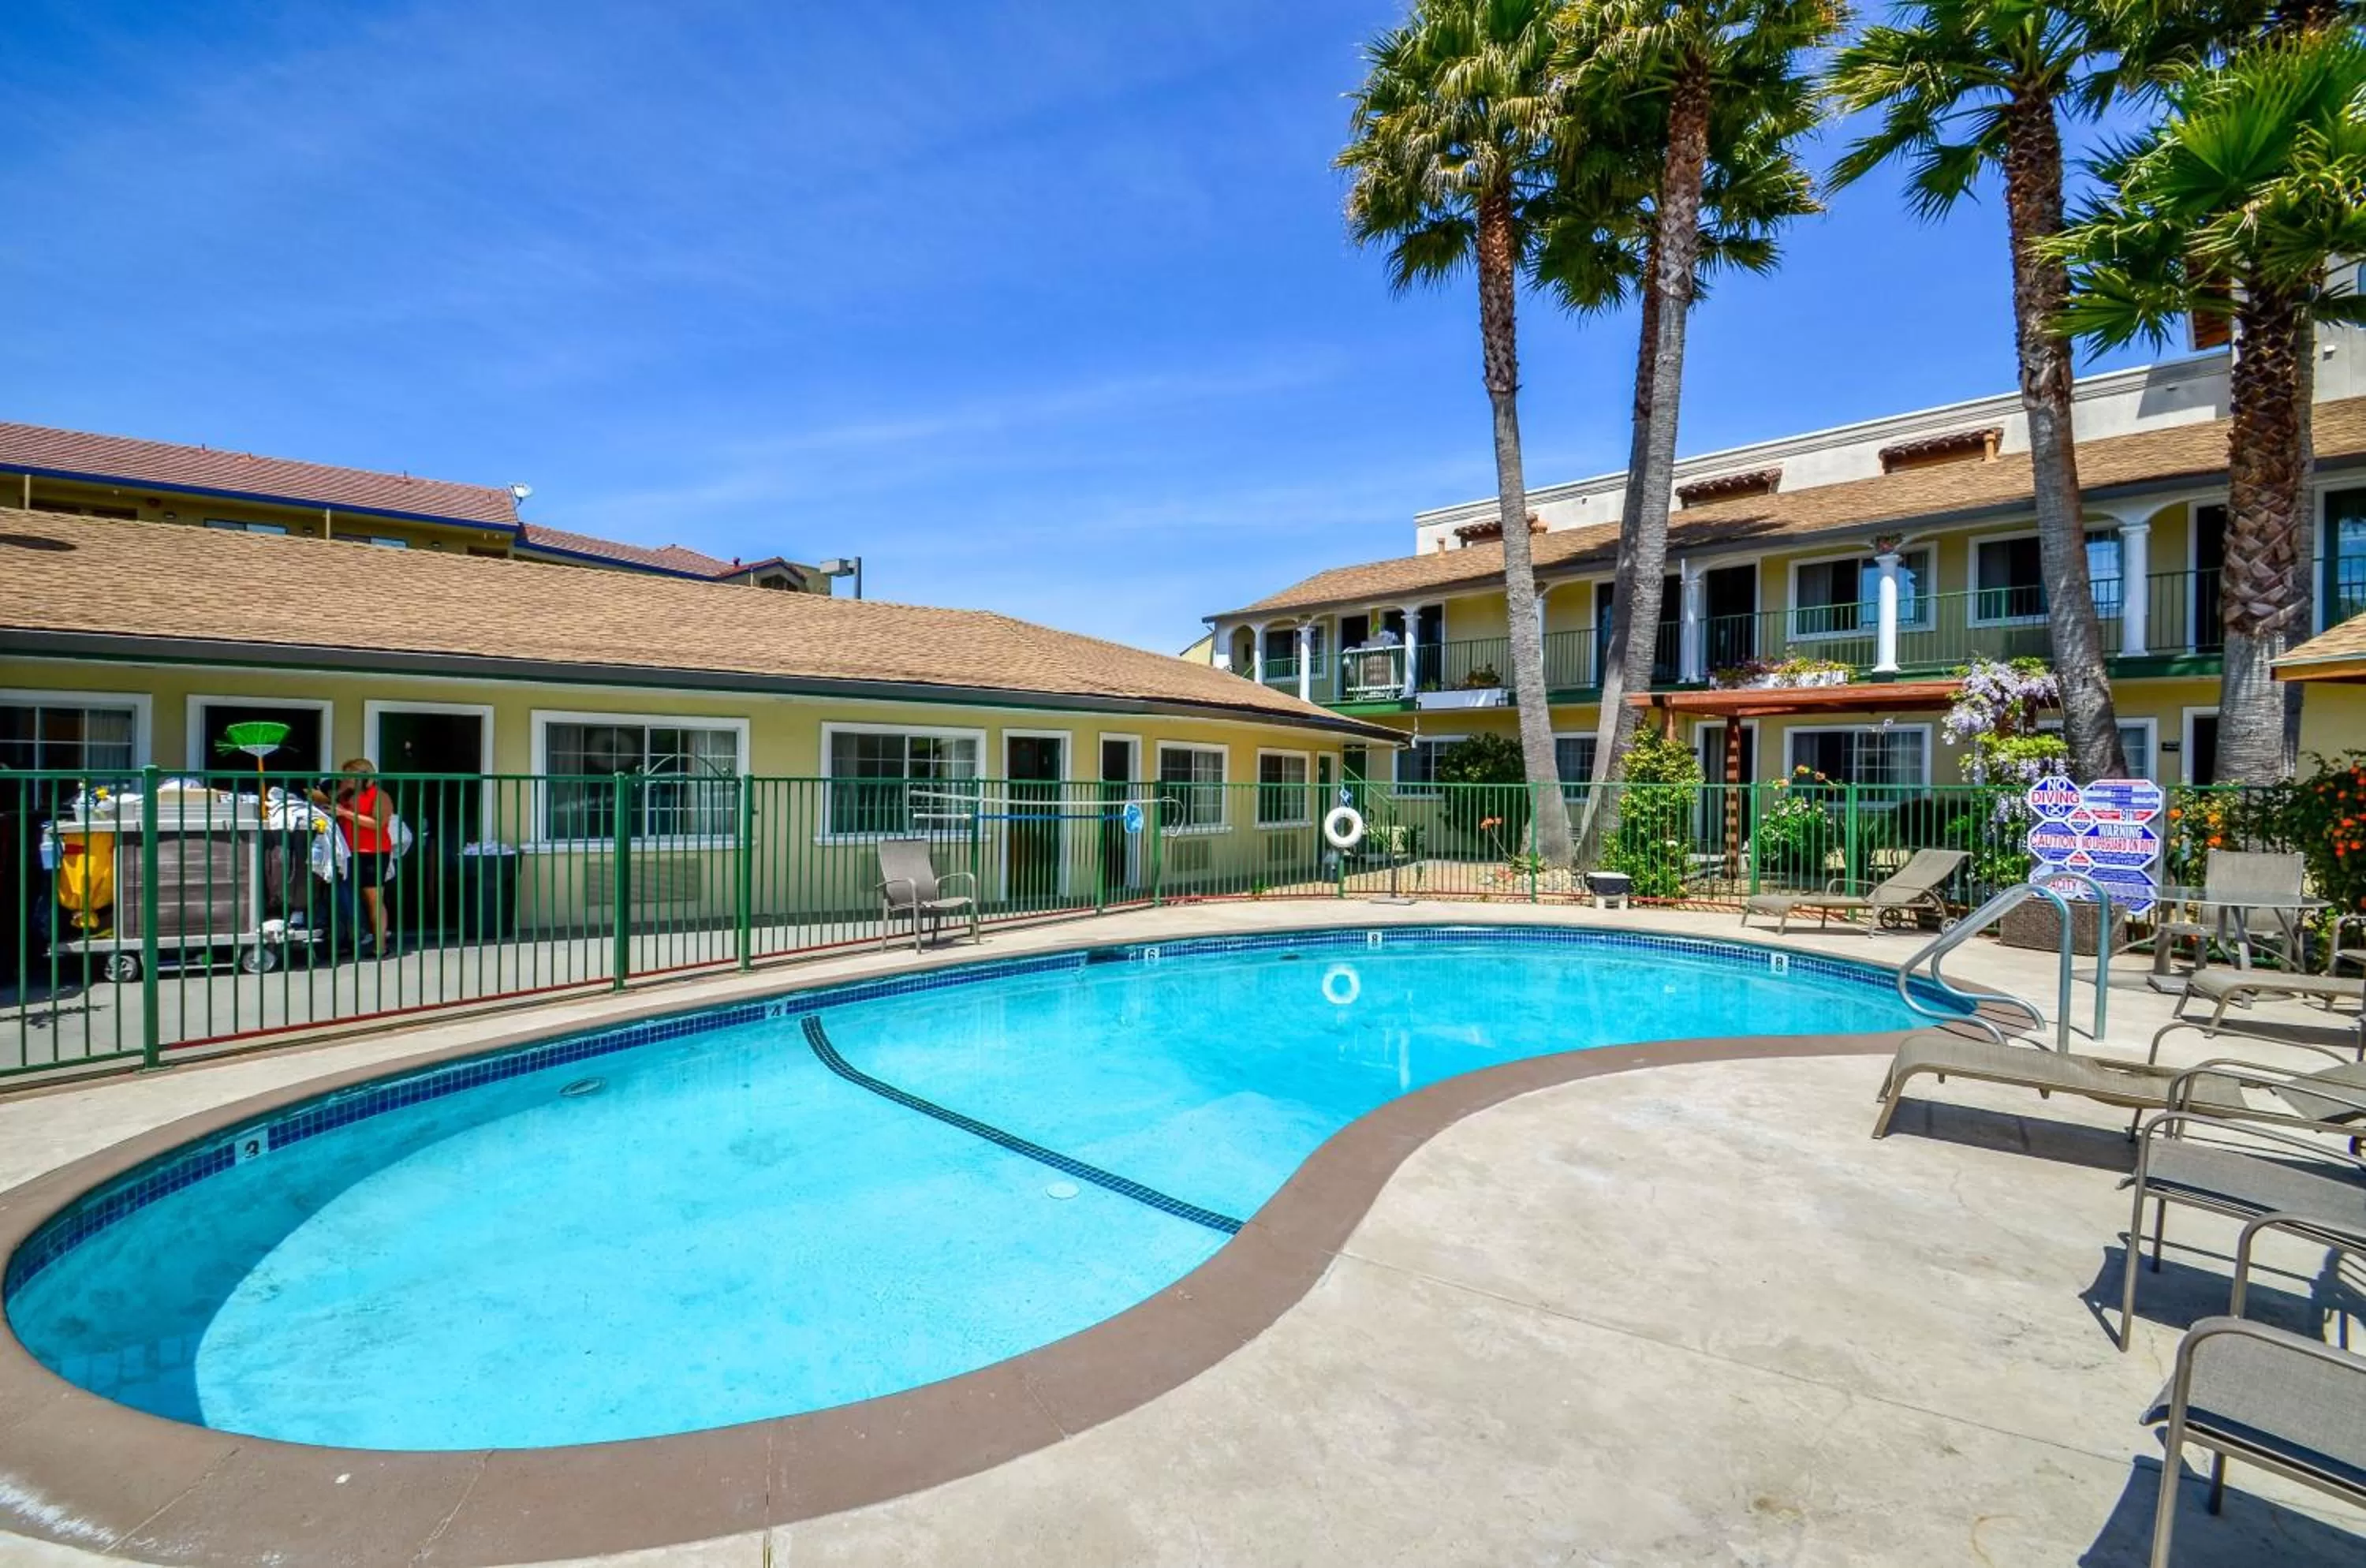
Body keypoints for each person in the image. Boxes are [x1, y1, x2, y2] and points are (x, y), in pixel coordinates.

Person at [312, 760, 394, 958]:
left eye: (350, 775)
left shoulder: (380, 796)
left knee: (374, 899)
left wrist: (345, 813)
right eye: (345, 775)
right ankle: (348, 939)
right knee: (343, 895)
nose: (346, 779)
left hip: (373, 852)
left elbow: (378, 823)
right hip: (348, 852)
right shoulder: (345, 794)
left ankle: (380, 946)